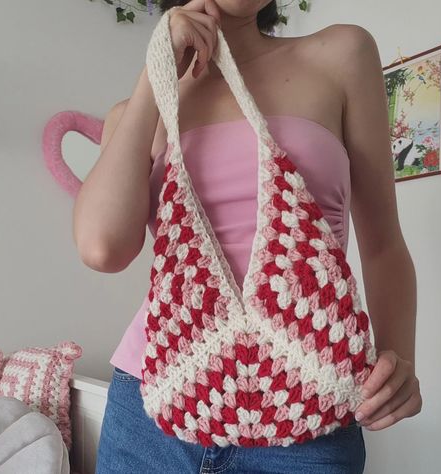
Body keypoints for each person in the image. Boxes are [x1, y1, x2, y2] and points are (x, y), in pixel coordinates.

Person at [72, 0, 422, 472]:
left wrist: (397, 357)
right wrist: (155, 76)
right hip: (152, 409)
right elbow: (101, 247)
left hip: (310, 406)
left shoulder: (340, 54)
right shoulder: (136, 110)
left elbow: (383, 244)